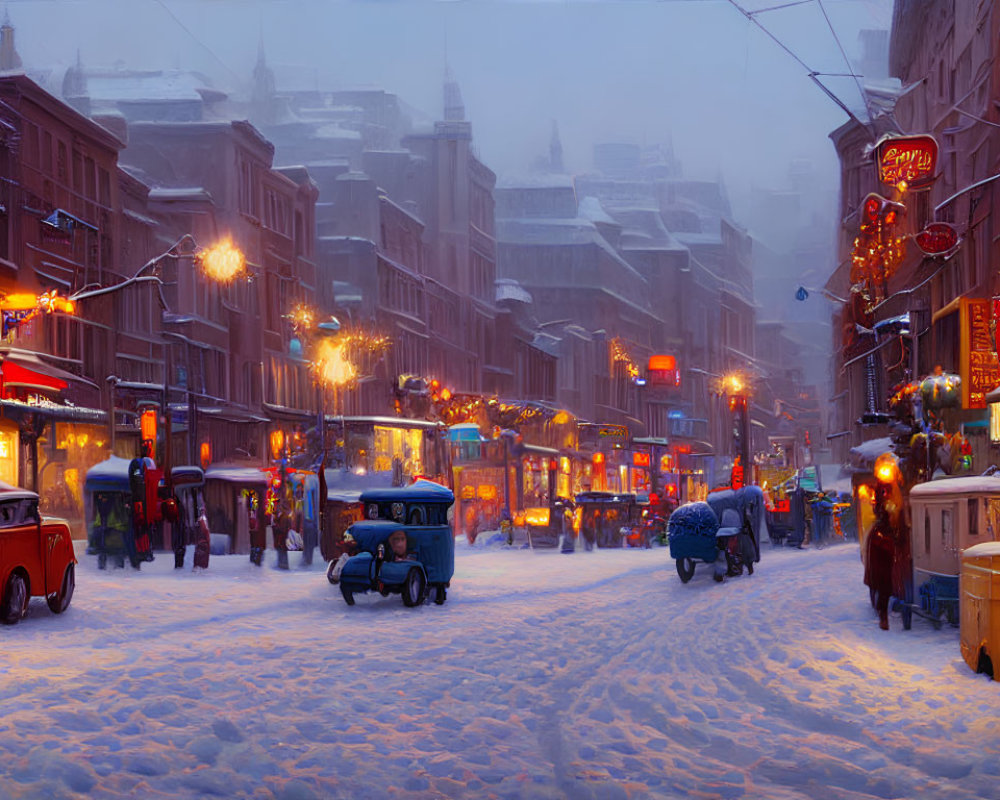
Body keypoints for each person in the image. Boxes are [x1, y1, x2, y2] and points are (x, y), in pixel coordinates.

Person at [193, 505, 211, 570]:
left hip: (203, 540)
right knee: (202, 555)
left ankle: (200, 566)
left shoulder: (201, 519)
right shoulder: (201, 519)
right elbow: (205, 530)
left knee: (201, 555)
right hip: (203, 541)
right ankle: (201, 566)